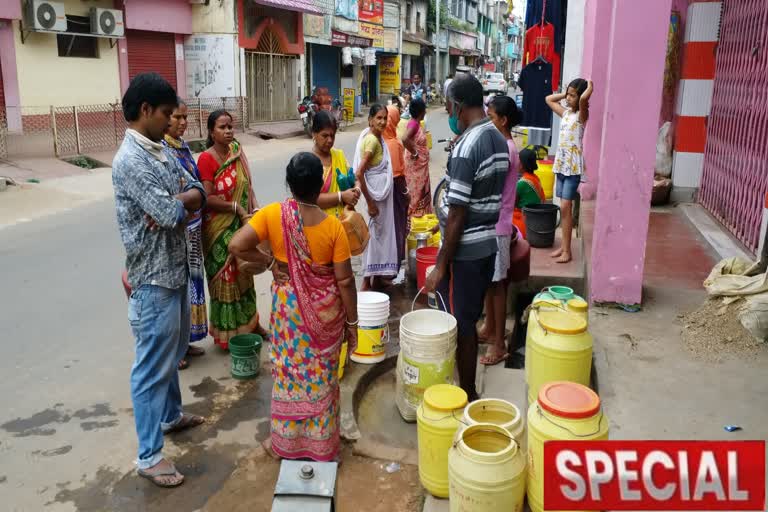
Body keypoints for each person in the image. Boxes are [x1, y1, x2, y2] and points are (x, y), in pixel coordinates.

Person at [228, 152, 358, 463]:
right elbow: (344, 282)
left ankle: (288, 445)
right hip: (324, 315)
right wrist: (352, 325)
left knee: (289, 375)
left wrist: (271, 261)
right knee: (322, 378)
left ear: (290, 184)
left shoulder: (273, 215)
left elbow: (236, 245)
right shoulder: (334, 228)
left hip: (288, 314)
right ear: (319, 186)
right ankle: (321, 446)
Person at [112, 73, 207, 488]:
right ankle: (149, 456)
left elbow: (194, 191)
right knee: (151, 368)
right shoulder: (131, 161)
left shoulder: (160, 152)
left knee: (170, 356)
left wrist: (181, 200)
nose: (173, 121)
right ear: (146, 111)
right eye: (167, 114)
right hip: (152, 280)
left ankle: (170, 417)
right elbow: (171, 214)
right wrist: (178, 203)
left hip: (175, 270)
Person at [424, 74, 509, 402]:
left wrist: (441, 265)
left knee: (461, 324)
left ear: (458, 106)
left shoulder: (467, 146)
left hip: (465, 252)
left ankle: (468, 393)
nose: (449, 114)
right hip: (487, 245)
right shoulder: (497, 138)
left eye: (448, 108)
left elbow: (458, 212)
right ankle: (465, 386)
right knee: (469, 318)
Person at [197, 110, 269, 350]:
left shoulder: (237, 150)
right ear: (211, 131)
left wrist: (254, 208)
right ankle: (228, 336)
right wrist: (235, 207)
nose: (228, 131)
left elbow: (247, 184)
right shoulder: (206, 159)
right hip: (217, 230)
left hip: (241, 223)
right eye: (222, 127)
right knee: (226, 279)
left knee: (245, 276)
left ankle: (252, 324)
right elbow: (206, 198)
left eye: (230, 126)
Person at [163, 99, 207, 371]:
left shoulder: (185, 148)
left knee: (194, 285)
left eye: (185, 118)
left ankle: (187, 340)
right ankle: (175, 349)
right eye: (177, 117)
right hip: (180, 227)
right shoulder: (164, 150)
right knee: (179, 289)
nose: (182, 122)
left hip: (195, 226)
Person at [477, 95, 522, 366]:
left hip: (499, 225)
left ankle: (499, 344)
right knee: (491, 283)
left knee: (496, 285)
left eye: (491, 118)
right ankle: (490, 328)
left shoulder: (506, 149)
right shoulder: (504, 145)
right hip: (495, 223)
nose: (487, 122)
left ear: (503, 121)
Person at [546, 78, 593, 263]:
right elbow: (549, 99)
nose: (568, 98)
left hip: (573, 167)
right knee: (563, 209)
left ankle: (567, 250)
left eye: (573, 95)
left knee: (566, 206)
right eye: (568, 94)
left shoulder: (582, 115)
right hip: (561, 165)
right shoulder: (565, 113)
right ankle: (564, 248)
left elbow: (582, 101)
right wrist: (565, 93)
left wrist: (589, 88)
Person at [355, 104, 398, 291]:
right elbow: (359, 173)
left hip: (380, 199)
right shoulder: (372, 141)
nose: (382, 121)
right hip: (374, 199)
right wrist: (371, 202)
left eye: (384, 118)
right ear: (370, 120)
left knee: (380, 236)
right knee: (372, 238)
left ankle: (378, 277)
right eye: (378, 118)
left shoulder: (378, 140)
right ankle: (366, 282)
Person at [310, 111, 361, 219]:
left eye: (332, 136)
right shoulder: (309, 162)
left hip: (344, 222)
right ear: (314, 133)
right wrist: (341, 196)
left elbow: (356, 179)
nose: (329, 140)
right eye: (325, 135)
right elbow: (310, 199)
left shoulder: (339, 155)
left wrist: (356, 191)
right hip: (321, 224)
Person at [383, 104, 409, 271]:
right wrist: (407, 194)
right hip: (396, 187)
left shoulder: (377, 141)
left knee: (386, 227)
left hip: (382, 191)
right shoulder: (395, 144)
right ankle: (395, 262)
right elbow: (399, 173)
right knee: (398, 224)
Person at [402, 98, 432, 218]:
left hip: (420, 165)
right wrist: (415, 153)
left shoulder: (416, 123)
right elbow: (404, 139)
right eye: (424, 109)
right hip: (415, 167)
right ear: (421, 111)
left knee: (420, 192)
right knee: (416, 192)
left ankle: (420, 215)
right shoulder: (414, 124)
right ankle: (413, 217)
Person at [513, 148, 546, 238]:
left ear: (522, 165)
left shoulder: (522, 184)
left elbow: (512, 204)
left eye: (518, 161)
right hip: (538, 221)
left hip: (526, 225)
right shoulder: (536, 178)